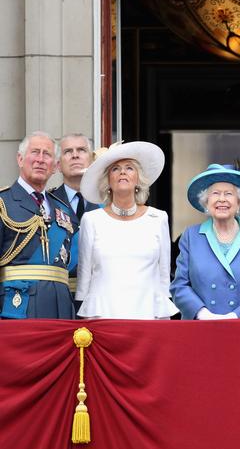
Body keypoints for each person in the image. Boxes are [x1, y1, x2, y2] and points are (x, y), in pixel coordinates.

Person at [76, 141, 178, 319]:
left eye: (129, 167)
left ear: (138, 178)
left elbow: (163, 278)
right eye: (115, 169)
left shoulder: (158, 218)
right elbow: (84, 278)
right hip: (103, 316)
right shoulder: (91, 220)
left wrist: (164, 318)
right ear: (107, 181)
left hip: (148, 315)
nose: (122, 172)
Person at [171, 164, 240, 319]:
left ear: (239, 201)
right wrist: (202, 314)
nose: (222, 199)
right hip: (200, 327)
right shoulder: (191, 236)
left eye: (228, 194)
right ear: (206, 202)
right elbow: (179, 285)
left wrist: (236, 315)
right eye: (215, 193)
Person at [0, 131, 77, 319]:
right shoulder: (3, 203)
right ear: (20, 159)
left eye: (47, 154)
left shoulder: (64, 211)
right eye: (35, 152)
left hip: (60, 309)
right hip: (16, 308)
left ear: (55, 166)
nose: (40, 160)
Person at [52, 133, 99, 305]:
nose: (75, 155)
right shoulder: (47, 204)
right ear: (57, 164)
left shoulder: (107, 205)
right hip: (59, 297)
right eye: (68, 151)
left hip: (98, 297)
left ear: (92, 161)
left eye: (81, 150)